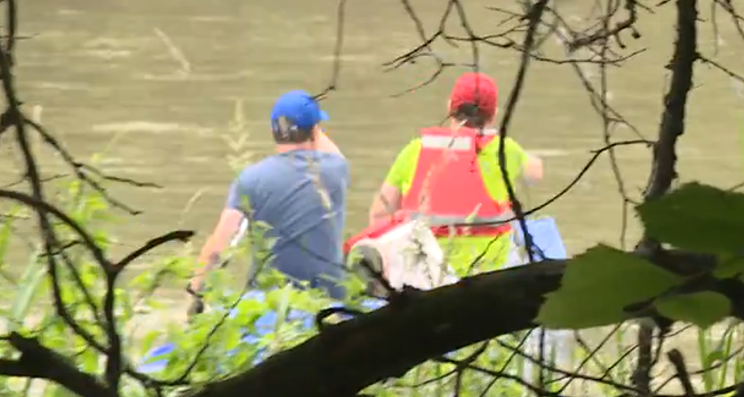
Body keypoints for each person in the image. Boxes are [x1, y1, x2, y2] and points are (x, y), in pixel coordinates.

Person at [362, 71, 544, 278]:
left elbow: (378, 214)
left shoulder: (416, 150)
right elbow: (536, 174)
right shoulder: (506, 150)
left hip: (425, 274)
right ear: (493, 114)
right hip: (488, 274)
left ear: (450, 107)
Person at [187, 90, 350, 316]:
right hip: (327, 302)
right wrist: (313, 127)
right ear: (314, 130)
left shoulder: (250, 179)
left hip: (268, 305)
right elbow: (328, 149)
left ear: (273, 131)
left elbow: (217, 247)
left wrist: (196, 293)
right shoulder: (337, 169)